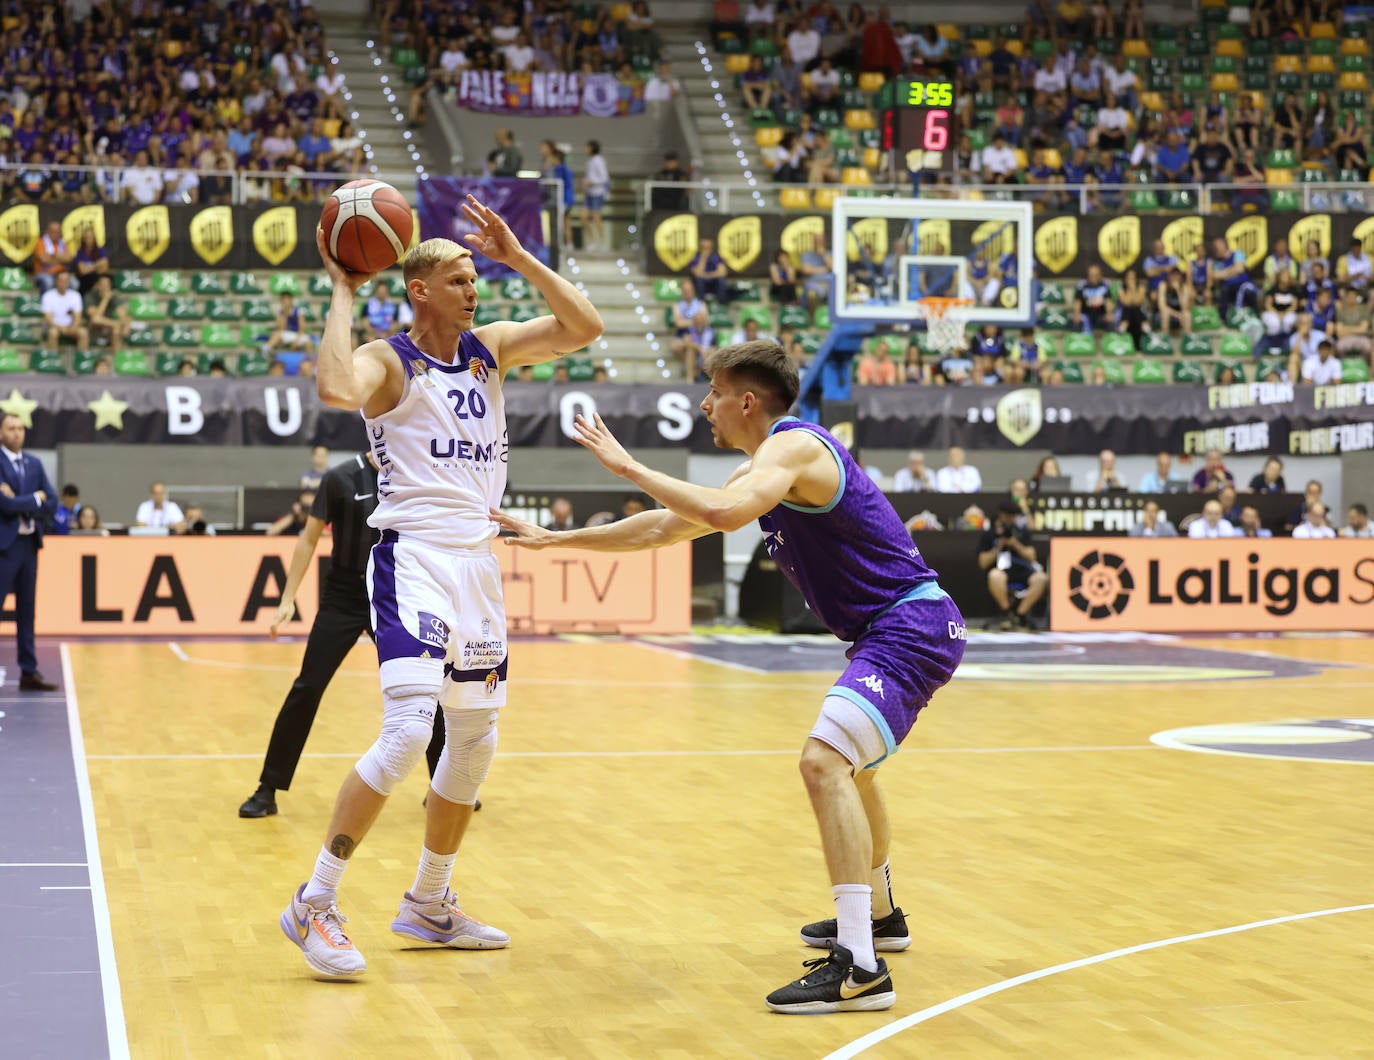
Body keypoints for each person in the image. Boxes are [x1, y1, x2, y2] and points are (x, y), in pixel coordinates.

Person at [491, 339, 965, 1014]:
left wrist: (628, 465)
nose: (704, 404)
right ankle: (881, 918)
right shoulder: (764, 471)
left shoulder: (796, 448)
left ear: (747, 401)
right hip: (893, 630)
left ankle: (859, 967)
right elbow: (663, 529)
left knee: (823, 762)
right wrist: (555, 539)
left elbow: (718, 515)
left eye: (712, 393)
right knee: (852, 770)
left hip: (910, 627)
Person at [281, 195, 602, 979]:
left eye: (475, 278)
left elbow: (584, 328)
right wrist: (343, 290)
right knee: (406, 732)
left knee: (475, 741)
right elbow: (331, 388)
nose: (475, 289)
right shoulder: (392, 360)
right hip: (414, 558)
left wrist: (519, 257)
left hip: (479, 565)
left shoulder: (489, 349)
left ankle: (430, 902)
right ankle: (313, 902)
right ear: (419, 289)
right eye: (460, 279)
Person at [240, 453, 451, 819]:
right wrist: (287, 598)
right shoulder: (340, 478)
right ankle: (267, 789)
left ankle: (443, 788)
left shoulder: (414, 475)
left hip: (394, 595)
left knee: (426, 688)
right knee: (307, 687)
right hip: (344, 596)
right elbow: (308, 539)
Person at [0, 414, 59, 691]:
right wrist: (35, 499)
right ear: (1, 432)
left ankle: (28, 671)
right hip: (4, 546)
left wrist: (20, 500)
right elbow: (3, 505)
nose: (16, 433)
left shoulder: (34, 463)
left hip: (28, 544)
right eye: (11, 428)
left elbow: (52, 501)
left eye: (20, 428)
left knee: (27, 610)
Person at [977, 502, 1047, 630]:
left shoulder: (1021, 532)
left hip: (1022, 570)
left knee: (1041, 578)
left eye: (1013, 516)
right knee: (995, 576)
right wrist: (999, 546)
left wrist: (1015, 544)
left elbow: (1032, 557)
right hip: (1001, 570)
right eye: (1007, 515)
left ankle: (1020, 615)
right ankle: (1006, 613)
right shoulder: (990, 534)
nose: (1010, 518)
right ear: (1001, 515)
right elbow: (982, 562)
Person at [581, 140, 609, 251]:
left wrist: (591, 181)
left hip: (597, 193)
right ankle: (592, 241)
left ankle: (602, 242)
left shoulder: (599, 161)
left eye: (587, 147)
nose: (585, 150)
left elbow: (604, 178)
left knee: (597, 218)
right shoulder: (589, 161)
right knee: (583, 217)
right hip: (589, 193)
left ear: (592, 148)